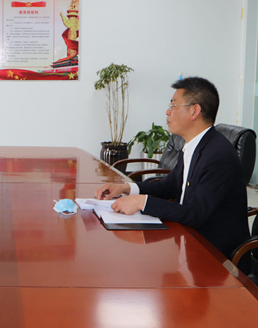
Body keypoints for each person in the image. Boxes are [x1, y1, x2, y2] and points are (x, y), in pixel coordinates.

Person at [95, 77, 250, 272]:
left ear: (194, 111)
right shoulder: (194, 146)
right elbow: (167, 186)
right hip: (187, 240)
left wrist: (141, 202)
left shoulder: (218, 155)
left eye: (173, 105)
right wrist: (126, 188)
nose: (168, 112)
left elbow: (195, 214)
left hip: (217, 259)